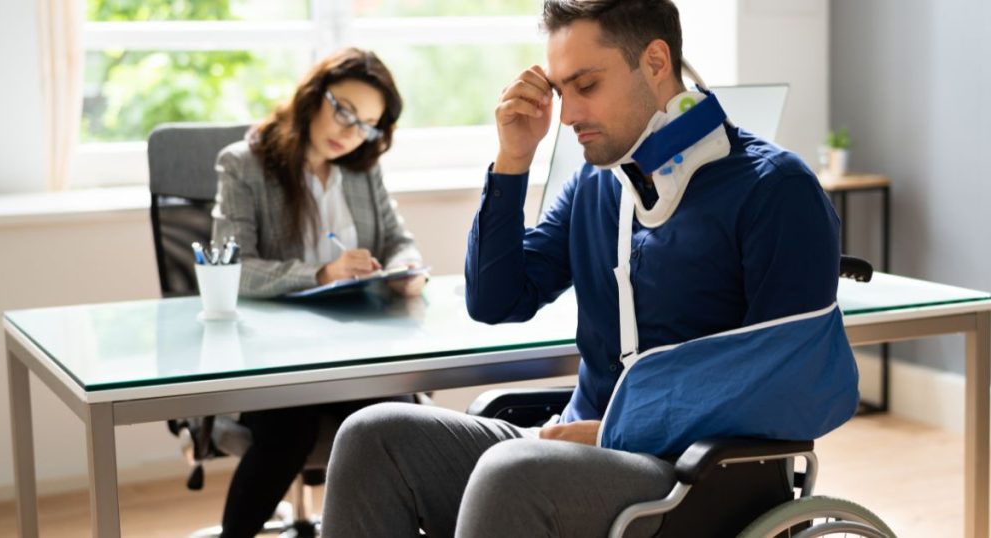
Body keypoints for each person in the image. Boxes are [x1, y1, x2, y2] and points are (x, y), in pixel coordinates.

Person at [321, 1, 859, 537]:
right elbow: (496, 300)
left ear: (654, 61)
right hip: (563, 451)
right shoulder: (596, 182)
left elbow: (794, 383)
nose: (570, 114)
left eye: (587, 85)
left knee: (514, 471)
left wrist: (609, 435)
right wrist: (513, 160)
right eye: (561, 91)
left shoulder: (775, 188)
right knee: (374, 435)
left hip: (699, 479)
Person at [211, 47, 426, 538]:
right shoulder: (243, 165)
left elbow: (398, 239)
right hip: (275, 355)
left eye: (366, 125)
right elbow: (234, 267)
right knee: (289, 429)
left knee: (396, 425)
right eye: (344, 112)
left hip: (356, 348)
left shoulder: (361, 168)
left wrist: (405, 267)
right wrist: (321, 274)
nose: (350, 134)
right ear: (313, 96)